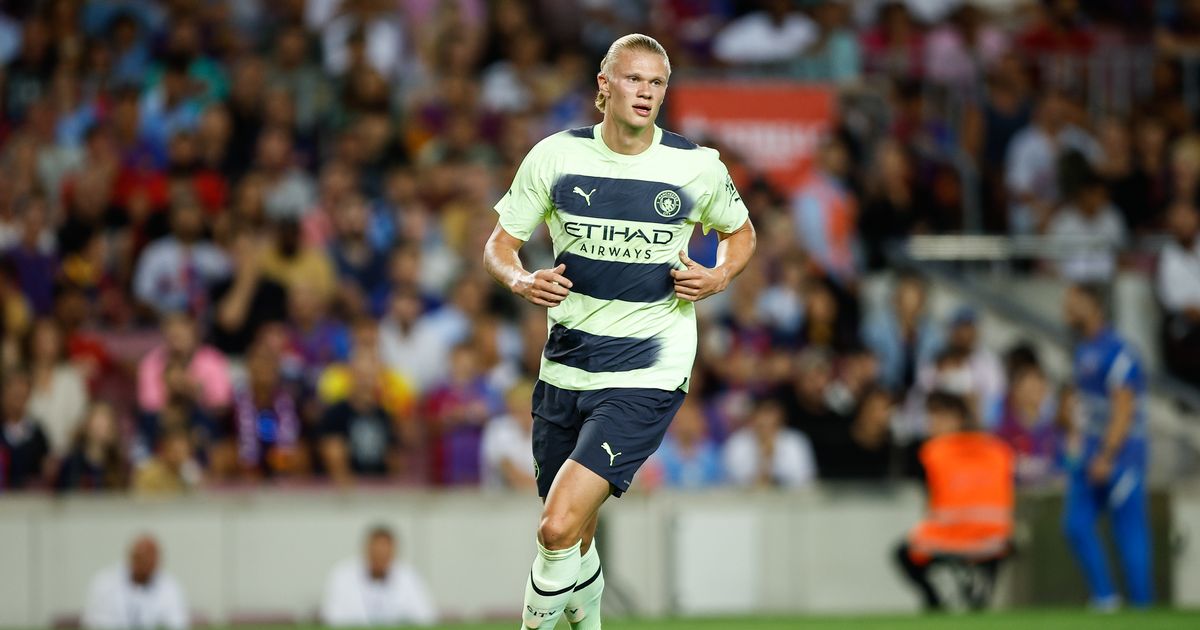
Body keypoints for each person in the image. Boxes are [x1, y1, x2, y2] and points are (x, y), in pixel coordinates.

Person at [482, 34, 755, 629]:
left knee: (555, 527)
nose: (646, 93)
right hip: (566, 367)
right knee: (577, 533)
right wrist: (522, 280)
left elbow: (741, 232)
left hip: (647, 371)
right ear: (604, 86)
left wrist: (718, 275)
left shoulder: (695, 166)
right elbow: (499, 246)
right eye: (635, 79)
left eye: (657, 83)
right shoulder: (554, 156)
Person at [1061, 283, 1153, 609]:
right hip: (1090, 453)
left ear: (1094, 304)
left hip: (1121, 457)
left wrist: (1108, 453)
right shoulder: (1082, 350)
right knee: (1076, 524)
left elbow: (1124, 408)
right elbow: (1086, 407)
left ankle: (1142, 608)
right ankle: (1106, 597)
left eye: (1073, 301)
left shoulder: (1118, 351)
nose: (1066, 309)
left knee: (1129, 532)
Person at [895, 391, 1015, 611]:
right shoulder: (997, 449)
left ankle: (935, 602)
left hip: (949, 535)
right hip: (995, 538)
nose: (933, 423)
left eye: (939, 416)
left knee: (904, 553)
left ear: (958, 418)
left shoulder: (933, 451)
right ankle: (975, 592)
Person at [320, 526, 437, 627]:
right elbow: (332, 617)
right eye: (376, 553)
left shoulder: (409, 576)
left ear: (393, 552)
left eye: (385, 554)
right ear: (367, 550)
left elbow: (425, 617)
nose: (380, 558)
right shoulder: (343, 575)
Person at [81, 534, 189, 630]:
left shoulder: (170, 587)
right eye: (142, 559)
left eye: (152, 560)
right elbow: (94, 622)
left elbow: (177, 623)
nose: (147, 564)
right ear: (132, 557)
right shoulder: (104, 583)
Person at [722, 396, 816, 488]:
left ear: (781, 418)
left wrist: (771, 456)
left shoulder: (795, 441)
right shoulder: (737, 442)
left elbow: (804, 477)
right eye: (762, 415)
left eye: (771, 416)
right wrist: (763, 459)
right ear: (753, 418)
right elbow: (734, 479)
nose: (767, 421)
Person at [1158, 202, 1200, 388]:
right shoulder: (1168, 257)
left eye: (1186, 217)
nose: (1183, 224)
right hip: (1187, 326)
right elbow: (1175, 302)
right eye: (1178, 220)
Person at [1, 366, 51, 489]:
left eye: (22, 395)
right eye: (14, 394)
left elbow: (46, 473)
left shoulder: (38, 434)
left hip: (29, 498)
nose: (18, 398)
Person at [481, 380, 537, 490]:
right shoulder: (497, 428)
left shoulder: (543, 429)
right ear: (510, 407)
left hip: (539, 495)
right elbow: (509, 472)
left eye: (527, 405)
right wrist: (543, 489)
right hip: (503, 497)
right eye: (518, 406)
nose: (524, 410)